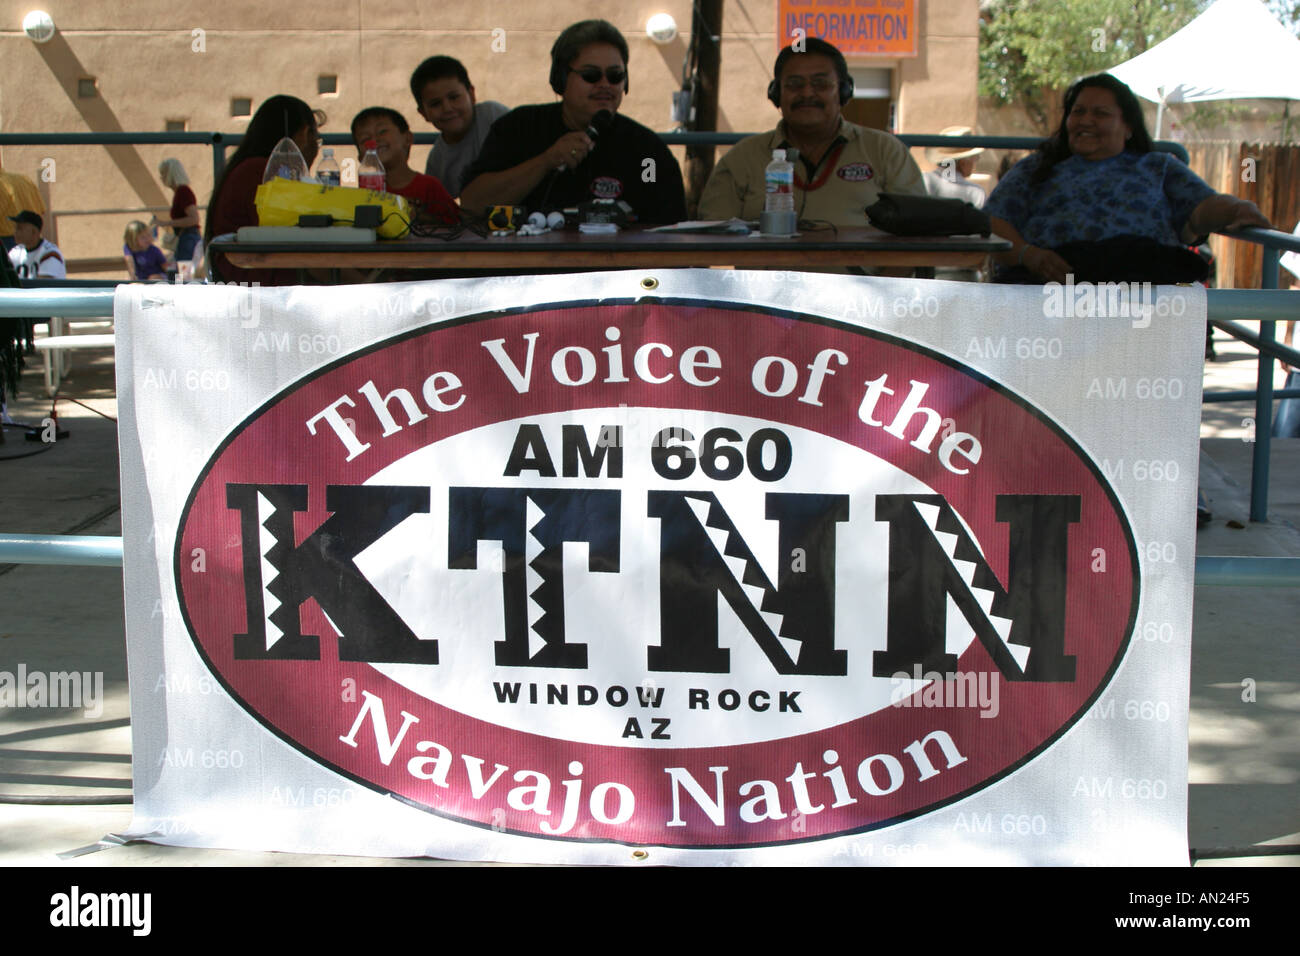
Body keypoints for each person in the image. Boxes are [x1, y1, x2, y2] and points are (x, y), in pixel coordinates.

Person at [985, 74, 1270, 284]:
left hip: (1140, 293)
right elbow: (991, 222)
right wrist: (1030, 256)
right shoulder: (1035, 168)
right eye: (1078, 112)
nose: (1085, 120)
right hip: (1051, 292)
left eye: (1101, 114)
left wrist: (1234, 208)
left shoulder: (1158, 167)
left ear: (1128, 126)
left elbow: (1200, 209)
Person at [460, 19, 686, 223]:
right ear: (560, 79)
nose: (605, 84)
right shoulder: (517, 128)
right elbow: (473, 205)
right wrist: (547, 161)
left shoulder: (648, 152)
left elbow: (672, 232)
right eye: (591, 75)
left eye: (615, 76)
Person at [698, 37, 925, 226]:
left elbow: (916, 229)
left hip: (862, 280)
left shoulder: (885, 151)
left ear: (844, 91)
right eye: (795, 84)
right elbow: (711, 237)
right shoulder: (741, 159)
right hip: (767, 281)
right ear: (777, 94)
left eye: (821, 84)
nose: (807, 93)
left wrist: (887, 280)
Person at [206, 95, 323, 285]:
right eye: (315, 138)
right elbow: (291, 238)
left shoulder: (248, 168)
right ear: (304, 134)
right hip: (264, 285)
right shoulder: (264, 172)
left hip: (257, 279)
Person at [410, 56, 508, 199]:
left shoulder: (493, 115)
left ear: (472, 94)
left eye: (454, 97)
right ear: (423, 113)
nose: (447, 108)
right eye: (435, 104)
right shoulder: (437, 161)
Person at [350, 107, 458, 224]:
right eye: (365, 139)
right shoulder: (365, 194)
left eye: (382, 132)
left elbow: (456, 223)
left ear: (407, 138)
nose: (375, 140)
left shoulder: (429, 186)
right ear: (361, 158)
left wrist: (418, 216)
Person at [923, 127, 986, 208]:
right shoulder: (976, 193)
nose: (975, 163)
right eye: (975, 158)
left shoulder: (923, 180)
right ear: (962, 163)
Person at [154, 158, 202, 265]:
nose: (161, 178)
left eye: (163, 173)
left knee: (184, 276)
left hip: (188, 239)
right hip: (185, 238)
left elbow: (194, 219)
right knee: (181, 275)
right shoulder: (180, 192)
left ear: (170, 174)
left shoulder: (183, 192)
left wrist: (166, 223)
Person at [7, 210, 65, 280]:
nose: (15, 232)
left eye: (20, 228)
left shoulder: (50, 253)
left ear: (34, 232)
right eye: (15, 228)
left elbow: (43, 285)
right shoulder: (15, 252)